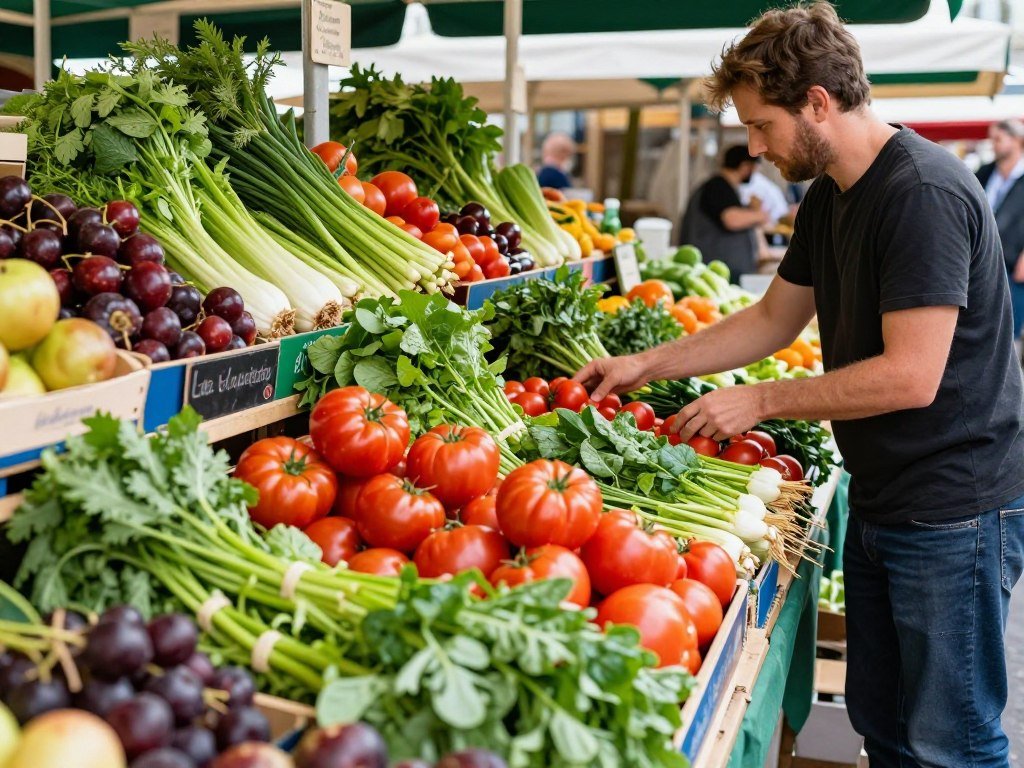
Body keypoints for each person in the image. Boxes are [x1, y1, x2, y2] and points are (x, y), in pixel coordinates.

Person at [574, 4, 1024, 767]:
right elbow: (775, 319)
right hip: (889, 495)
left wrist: (760, 399)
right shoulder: (832, 197)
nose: (754, 146)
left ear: (817, 101)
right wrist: (643, 366)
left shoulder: (920, 193)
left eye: (761, 125)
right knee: (883, 728)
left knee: (951, 741)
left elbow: (912, 376)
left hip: (954, 508)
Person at [680, 145, 771, 280]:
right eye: (755, 169)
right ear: (745, 166)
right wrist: (759, 215)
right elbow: (731, 219)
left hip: (722, 271)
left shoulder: (725, 188)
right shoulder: (718, 186)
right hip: (714, 271)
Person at [977, 119, 1024, 342]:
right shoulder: (985, 172)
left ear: (1016, 140)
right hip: (984, 255)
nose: (993, 144)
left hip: (1014, 262)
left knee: (1009, 329)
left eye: (998, 139)